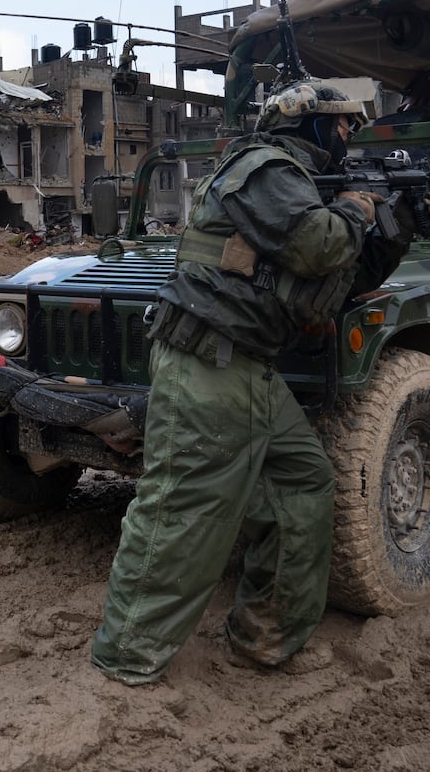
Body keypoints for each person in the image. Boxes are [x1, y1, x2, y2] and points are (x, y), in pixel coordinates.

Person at [90, 80, 412, 685]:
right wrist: (358, 209)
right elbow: (318, 245)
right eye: (341, 123)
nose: (348, 135)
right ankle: (124, 659)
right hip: (208, 364)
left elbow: (326, 283)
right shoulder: (264, 167)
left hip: (247, 368)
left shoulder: (291, 180)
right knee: (182, 508)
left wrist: (393, 225)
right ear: (307, 123)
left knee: (303, 483)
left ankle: (264, 637)